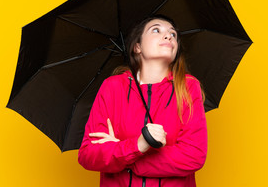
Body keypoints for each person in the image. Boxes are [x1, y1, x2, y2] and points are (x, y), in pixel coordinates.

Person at [78, 15, 207, 186]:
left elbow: (193, 156)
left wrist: (127, 156)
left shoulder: (188, 86)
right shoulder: (112, 87)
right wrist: (138, 145)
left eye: (173, 34)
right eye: (156, 30)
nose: (169, 36)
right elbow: (89, 155)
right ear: (137, 47)